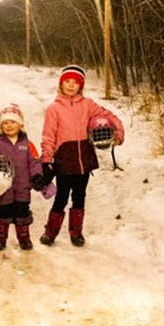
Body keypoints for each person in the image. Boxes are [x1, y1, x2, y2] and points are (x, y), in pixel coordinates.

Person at [40, 65, 124, 247]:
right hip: (64, 160)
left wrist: (118, 131)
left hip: (84, 160)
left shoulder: (88, 105)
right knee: (61, 198)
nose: (71, 86)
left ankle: (76, 232)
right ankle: (50, 232)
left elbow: (108, 116)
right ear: (61, 84)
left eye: (75, 83)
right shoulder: (54, 109)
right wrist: (46, 160)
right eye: (67, 82)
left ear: (81, 85)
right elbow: (48, 136)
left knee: (80, 197)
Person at [0, 103, 44, 251]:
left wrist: (37, 175)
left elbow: (35, 162)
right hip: (2, 186)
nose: (9, 125)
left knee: (22, 212)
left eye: (12, 122)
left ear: (20, 124)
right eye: (5, 123)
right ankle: (0, 238)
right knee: (3, 212)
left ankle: (24, 238)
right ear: (1, 126)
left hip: (23, 187)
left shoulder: (27, 144)